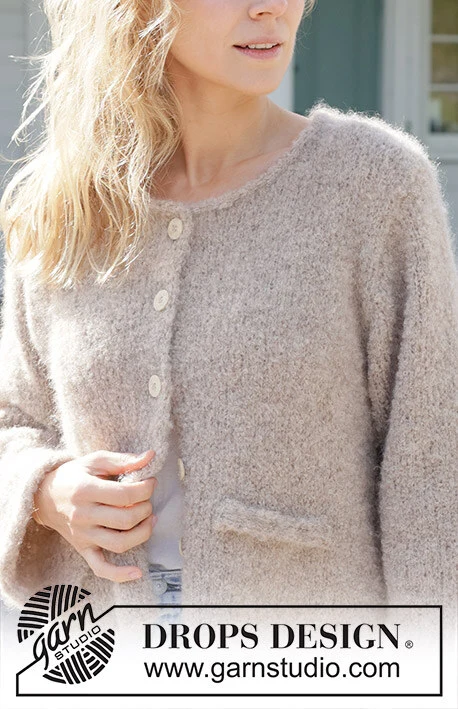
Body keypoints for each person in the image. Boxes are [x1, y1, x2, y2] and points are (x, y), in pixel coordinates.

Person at [0, 0, 456, 640]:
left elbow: (431, 468)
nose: (271, 8)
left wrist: (430, 665)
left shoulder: (374, 187)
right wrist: (47, 490)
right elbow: (13, 421)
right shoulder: (71, 205)